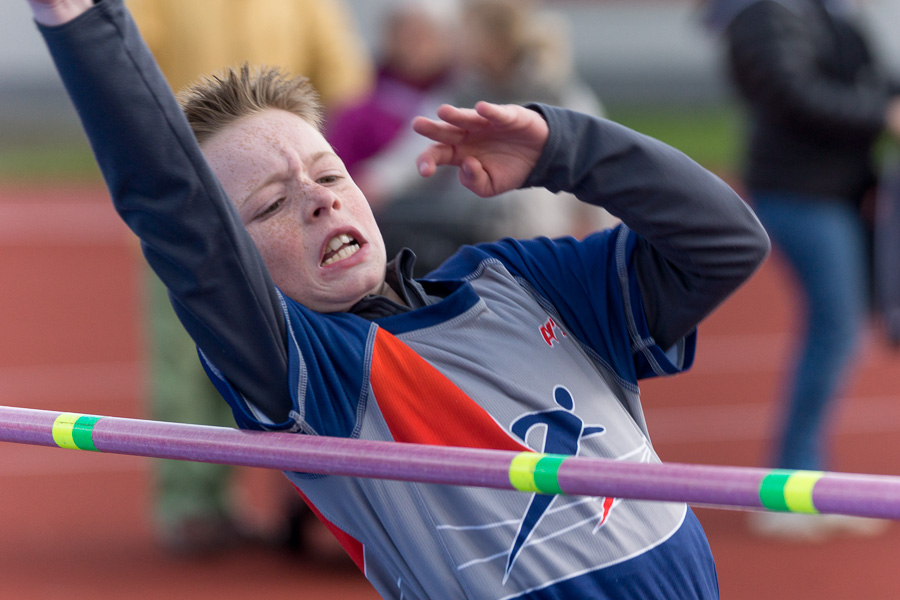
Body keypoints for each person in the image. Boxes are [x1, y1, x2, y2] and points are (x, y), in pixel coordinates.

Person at [27, 0, 769, 597]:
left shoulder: (527, 282)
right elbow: (175, 209)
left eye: (328, 174)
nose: (318, 203)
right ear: (237, 266)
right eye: (269, 206)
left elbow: (727, 242)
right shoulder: (313, 376)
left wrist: (561, 149)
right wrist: (79, 17)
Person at [126, 0, 373, 555]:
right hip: (185, 201)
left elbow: (344, 78)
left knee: (309, 356)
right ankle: (193, 502)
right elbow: (127, 76)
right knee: (186, 361)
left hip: (286, 215)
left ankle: (329, 508)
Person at [700, 0, 900, 540]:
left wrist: (885, 101)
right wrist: (880, 114)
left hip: (831, 188)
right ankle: (791, 487)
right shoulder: (766, 14)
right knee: (835, 327)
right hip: (798, 190)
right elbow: (792, 94)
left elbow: (871, 77)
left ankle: (806, 479)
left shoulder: (824, 12)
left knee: (837, 328)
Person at [355, 0, 617, 276]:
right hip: (474, 233)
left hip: (544, 237)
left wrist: (597, 235)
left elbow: (593, 163)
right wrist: (377, 180)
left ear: (492, 39)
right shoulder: (466, 88)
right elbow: (421, 144)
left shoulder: (556, 92)